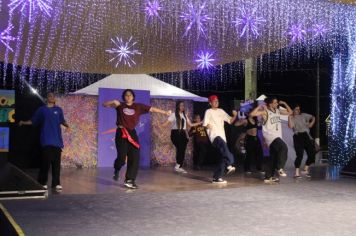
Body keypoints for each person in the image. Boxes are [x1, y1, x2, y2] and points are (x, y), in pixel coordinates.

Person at [103, 89, 171, 189]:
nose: (128, 96)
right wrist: (112, 101)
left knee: (134, 156)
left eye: (130, 95)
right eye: (126, 95)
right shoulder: (120, 105)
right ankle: (117, 169)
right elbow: (104, 105)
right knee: (121, 158)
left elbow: (152, 109)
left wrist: (165, 112)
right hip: (121, 133)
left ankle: (129, 180)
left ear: (133, 97)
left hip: (132, 133)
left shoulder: (138, 106)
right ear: (124, 97)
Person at [19, 92, 70, 192]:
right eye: (50, 96)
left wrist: (67, 126)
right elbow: (34, 121)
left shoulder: (58, 110)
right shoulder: (42, 110)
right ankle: (42, 182)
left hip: (57, 141)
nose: (52, 97)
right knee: (45, 164)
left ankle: (56, 183)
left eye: (53, 96)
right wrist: (23, 122)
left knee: (56, 164)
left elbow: (62, 121)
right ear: (47, 98)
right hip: (46, 140)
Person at [250, 97, 292, 184]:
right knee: (284, 147)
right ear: (270, 104)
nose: (277, 104)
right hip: (270, 136)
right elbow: (252, 114)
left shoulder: (277, 111)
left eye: (277, 103)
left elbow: (290, 112)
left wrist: (284, 103)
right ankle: (280, 168)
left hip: (277, 136)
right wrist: (260, 106)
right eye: (275, 103)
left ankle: (268, 177)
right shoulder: (266, 112)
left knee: (272, 157)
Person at [203, 95, 237, 184]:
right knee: (226, 152)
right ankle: (230, 164)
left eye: (217, 101)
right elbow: (204, 124)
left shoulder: (221, 111)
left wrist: (235, 115)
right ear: (210, 103)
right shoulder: (208, 111)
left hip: (222, 137)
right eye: (214, 101)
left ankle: (217, 177)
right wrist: (207, 125)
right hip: (214, 136)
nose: (216, 102)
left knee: (223, 157)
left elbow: (230, 121)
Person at [162, 101, 201, 173]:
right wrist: (160, 125)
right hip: (176, 133)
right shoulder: (173, 115)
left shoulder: (185, 115)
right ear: (177, 106)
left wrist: (200, 122)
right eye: (181, 105)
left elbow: (190, 125)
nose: (182, 107)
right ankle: (178, 166)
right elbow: (165, 124)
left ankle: (178, 166)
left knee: (182, 150)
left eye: (183, 105)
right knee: (180, 149)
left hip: (183, 134)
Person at [288, 104, 316, 178]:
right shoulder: (292, 117)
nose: (298, 110)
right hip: (297, 136)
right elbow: (291, 126)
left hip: (306, 136)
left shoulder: (303, 115)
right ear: (293, 110)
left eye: (299, 109)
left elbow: (313, 117)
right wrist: (289, 118)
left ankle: (305, 169)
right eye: (296, 109)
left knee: (312, 153)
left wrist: (311, 123)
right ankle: (296, 173)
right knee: (299, 154)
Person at [244, 104, 264, 175]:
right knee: (249, 154)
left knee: (259, 153)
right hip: (249, 138)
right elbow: (236, 124)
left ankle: (259, 168)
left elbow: (260, 123)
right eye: (250, 112)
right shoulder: (246, 120)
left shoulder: (255, 119)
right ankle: (247, 169)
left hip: (256, 138)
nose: (252, 113)